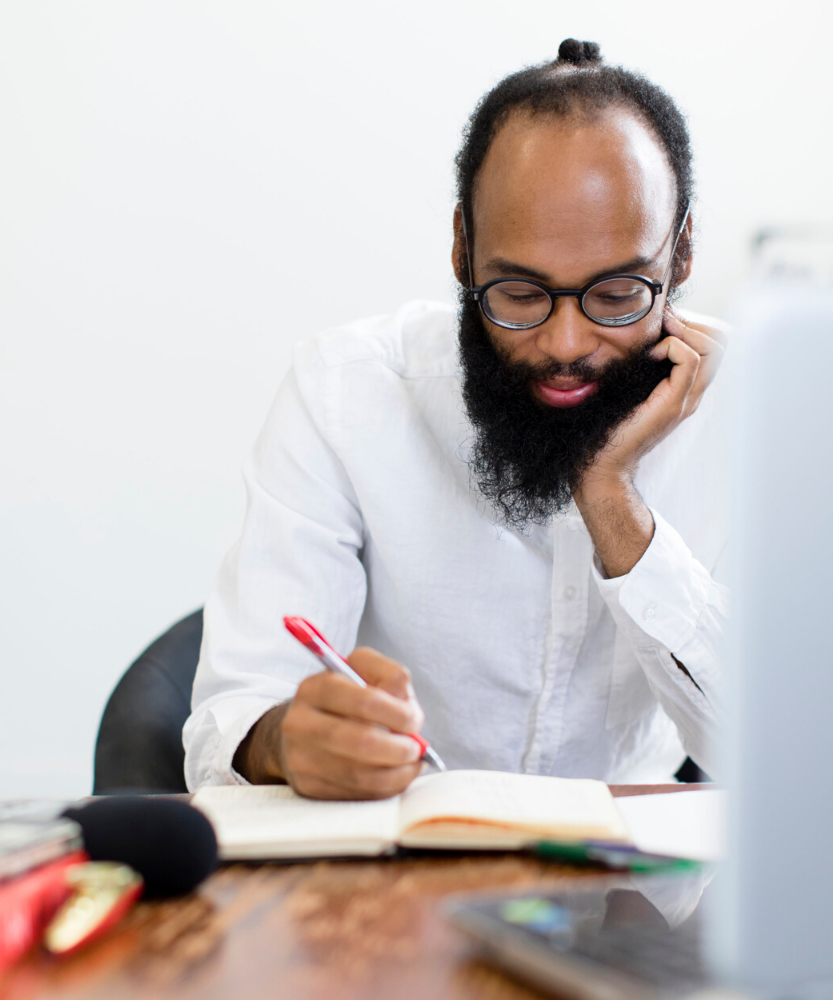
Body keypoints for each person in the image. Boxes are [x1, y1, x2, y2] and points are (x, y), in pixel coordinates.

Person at [183, 39, 729, 799]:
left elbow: (771, 755)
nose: (565, 344)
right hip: (392, 862)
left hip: (635, 876)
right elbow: (231, 718)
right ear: (462, 248)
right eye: (519, 292)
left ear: (682, 254)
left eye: (615, 294)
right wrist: (287, 741)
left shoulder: (753, 417)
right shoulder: (346, 392)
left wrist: (611, 496)